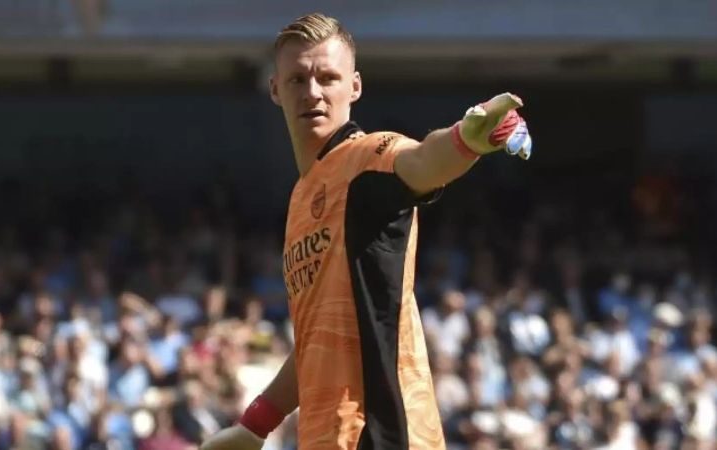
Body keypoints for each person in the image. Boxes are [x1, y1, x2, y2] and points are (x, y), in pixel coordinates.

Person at [201, 12, 532, 450]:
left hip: (381, 433)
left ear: (354, 86)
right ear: (276, 90)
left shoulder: (365, 160)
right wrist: (257, 423)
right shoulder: (303, 196)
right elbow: (321, 339)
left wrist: (464, 142)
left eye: (328, 77)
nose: (313, 92)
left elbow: (422, 162)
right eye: (298, 80)